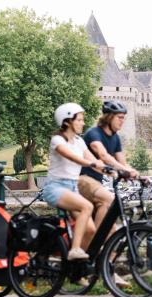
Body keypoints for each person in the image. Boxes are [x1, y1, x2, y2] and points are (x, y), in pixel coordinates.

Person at [78, 100, 139, 287]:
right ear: (109, 117)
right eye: (120, 118)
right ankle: (96, 240)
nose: (122, 121)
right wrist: (123, 170)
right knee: (108, 199)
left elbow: (122, 161)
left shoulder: (116, 138)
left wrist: (137, 174)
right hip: (81, 180)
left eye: (123, 118)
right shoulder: (93, 133)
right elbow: (104, 156)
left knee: (113, 233)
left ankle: (108, 273)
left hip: (96, 184)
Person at [41, 103, 104, 261]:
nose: (83, 123)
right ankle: (75, 249)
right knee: (87, 206)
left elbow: (93, 160)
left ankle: (74, 268)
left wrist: (114, 171)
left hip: (72, 188)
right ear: (67, 121)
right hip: (55, 188)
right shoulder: (57, 140)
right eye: (80, 120)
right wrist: (89, 163)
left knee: (90, 230)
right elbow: (70, 156)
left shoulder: (79, 141)